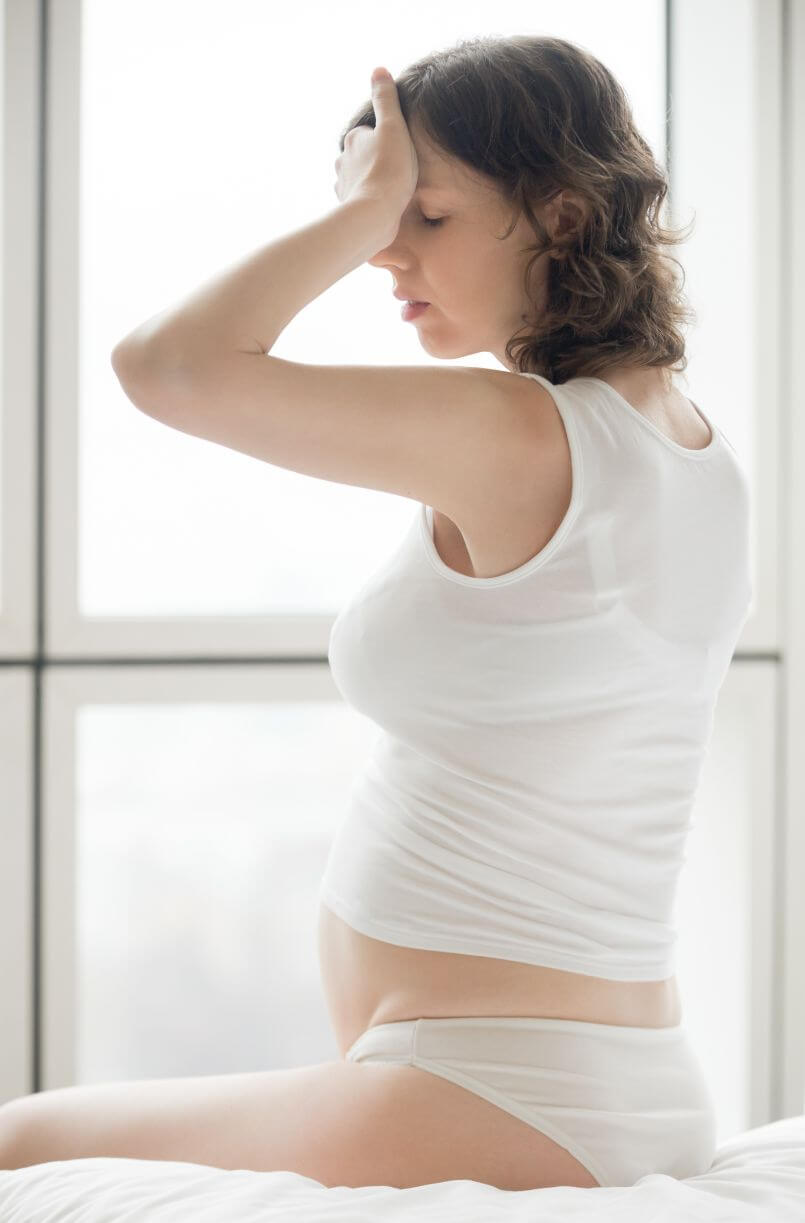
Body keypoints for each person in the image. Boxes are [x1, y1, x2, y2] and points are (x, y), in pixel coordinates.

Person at [2, 34, 752, 1193]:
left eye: (425, 214)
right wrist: (394, 210)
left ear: (559, 214)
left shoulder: (528, 436)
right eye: (382, 216)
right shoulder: (692, 448)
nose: (387, 252)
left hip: (504, 1082)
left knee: (17, 1142)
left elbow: (168, 367)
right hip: (573, 1075)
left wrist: (354, 215)